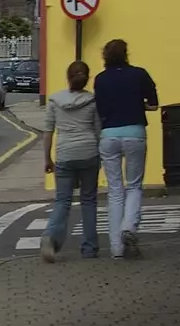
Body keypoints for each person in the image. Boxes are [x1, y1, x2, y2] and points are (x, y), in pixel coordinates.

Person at [93, 39, 160, 259]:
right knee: (133, 186)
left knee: (114, 191)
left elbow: (100, 110)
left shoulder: (100, 79)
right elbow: (153, 104)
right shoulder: (140, 74)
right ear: (126, 53)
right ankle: (129, 227)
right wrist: (137, 104)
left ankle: (116, 249)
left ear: (106, 56)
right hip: (135, 134)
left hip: (109, 135)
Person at [41, 60, 102, 262]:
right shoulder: (93, 101)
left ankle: (50, 238)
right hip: (88, 153)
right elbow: (97, 130)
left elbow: (48, 132)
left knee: (63, 200)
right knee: (89, 200)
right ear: (87, 79)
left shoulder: (54, 101)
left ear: (68, 77)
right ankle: (89, 248)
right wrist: (100, 154)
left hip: (65, 155)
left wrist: (47, 158)